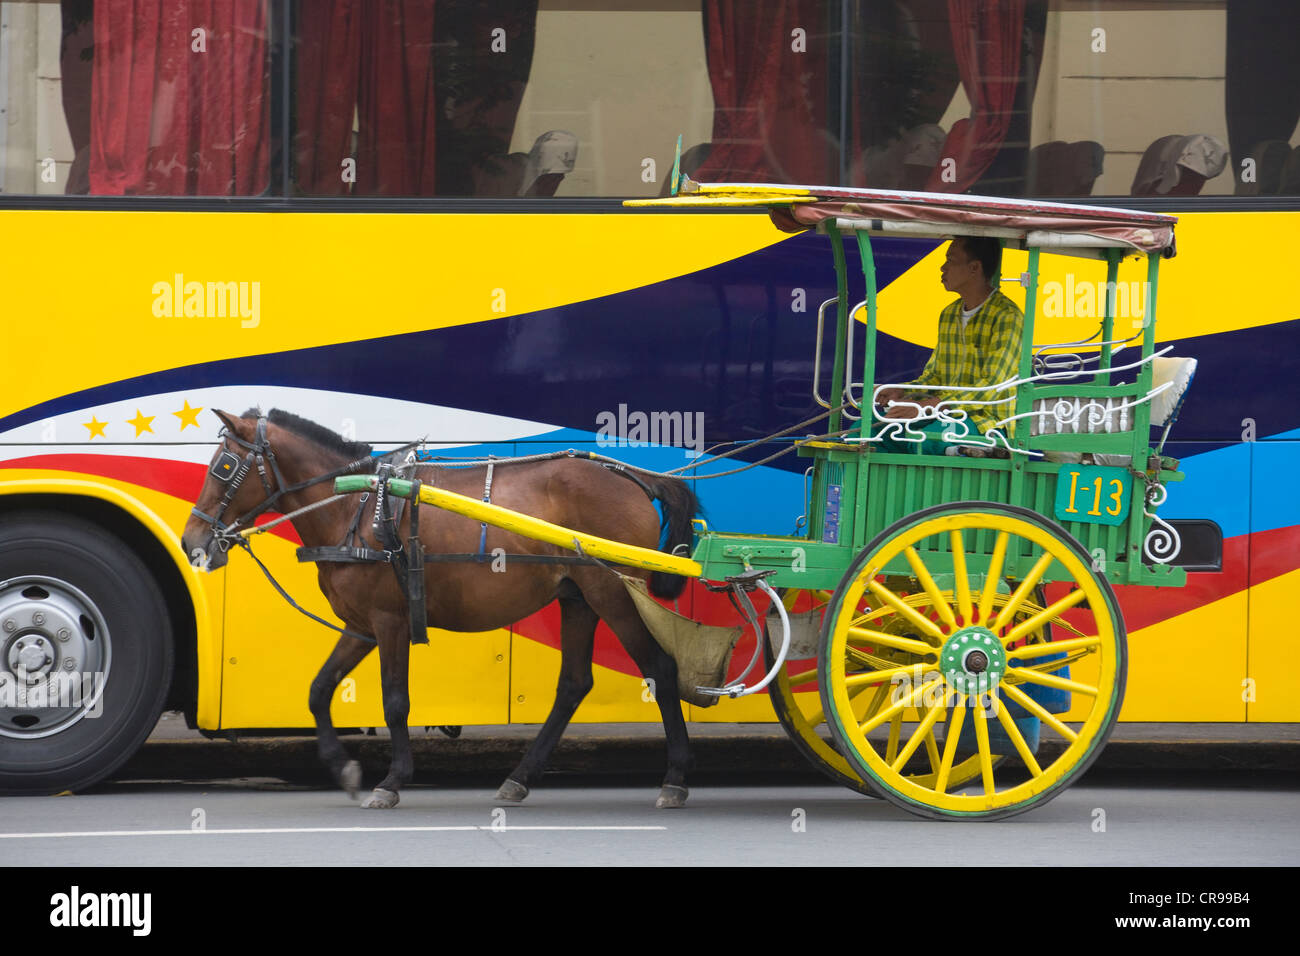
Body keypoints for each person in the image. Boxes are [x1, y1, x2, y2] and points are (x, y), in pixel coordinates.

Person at [874, 236, 1023, 453]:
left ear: (974, 268)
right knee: (869, 431)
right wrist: (904, 393)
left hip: (988, 423)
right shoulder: (949, 314)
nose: (943, 267)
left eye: (950, 260)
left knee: (923, 440)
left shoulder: (1007, 316)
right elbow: (935, 377)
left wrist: (930, 406)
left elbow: (992, 386)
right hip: (944, 413)